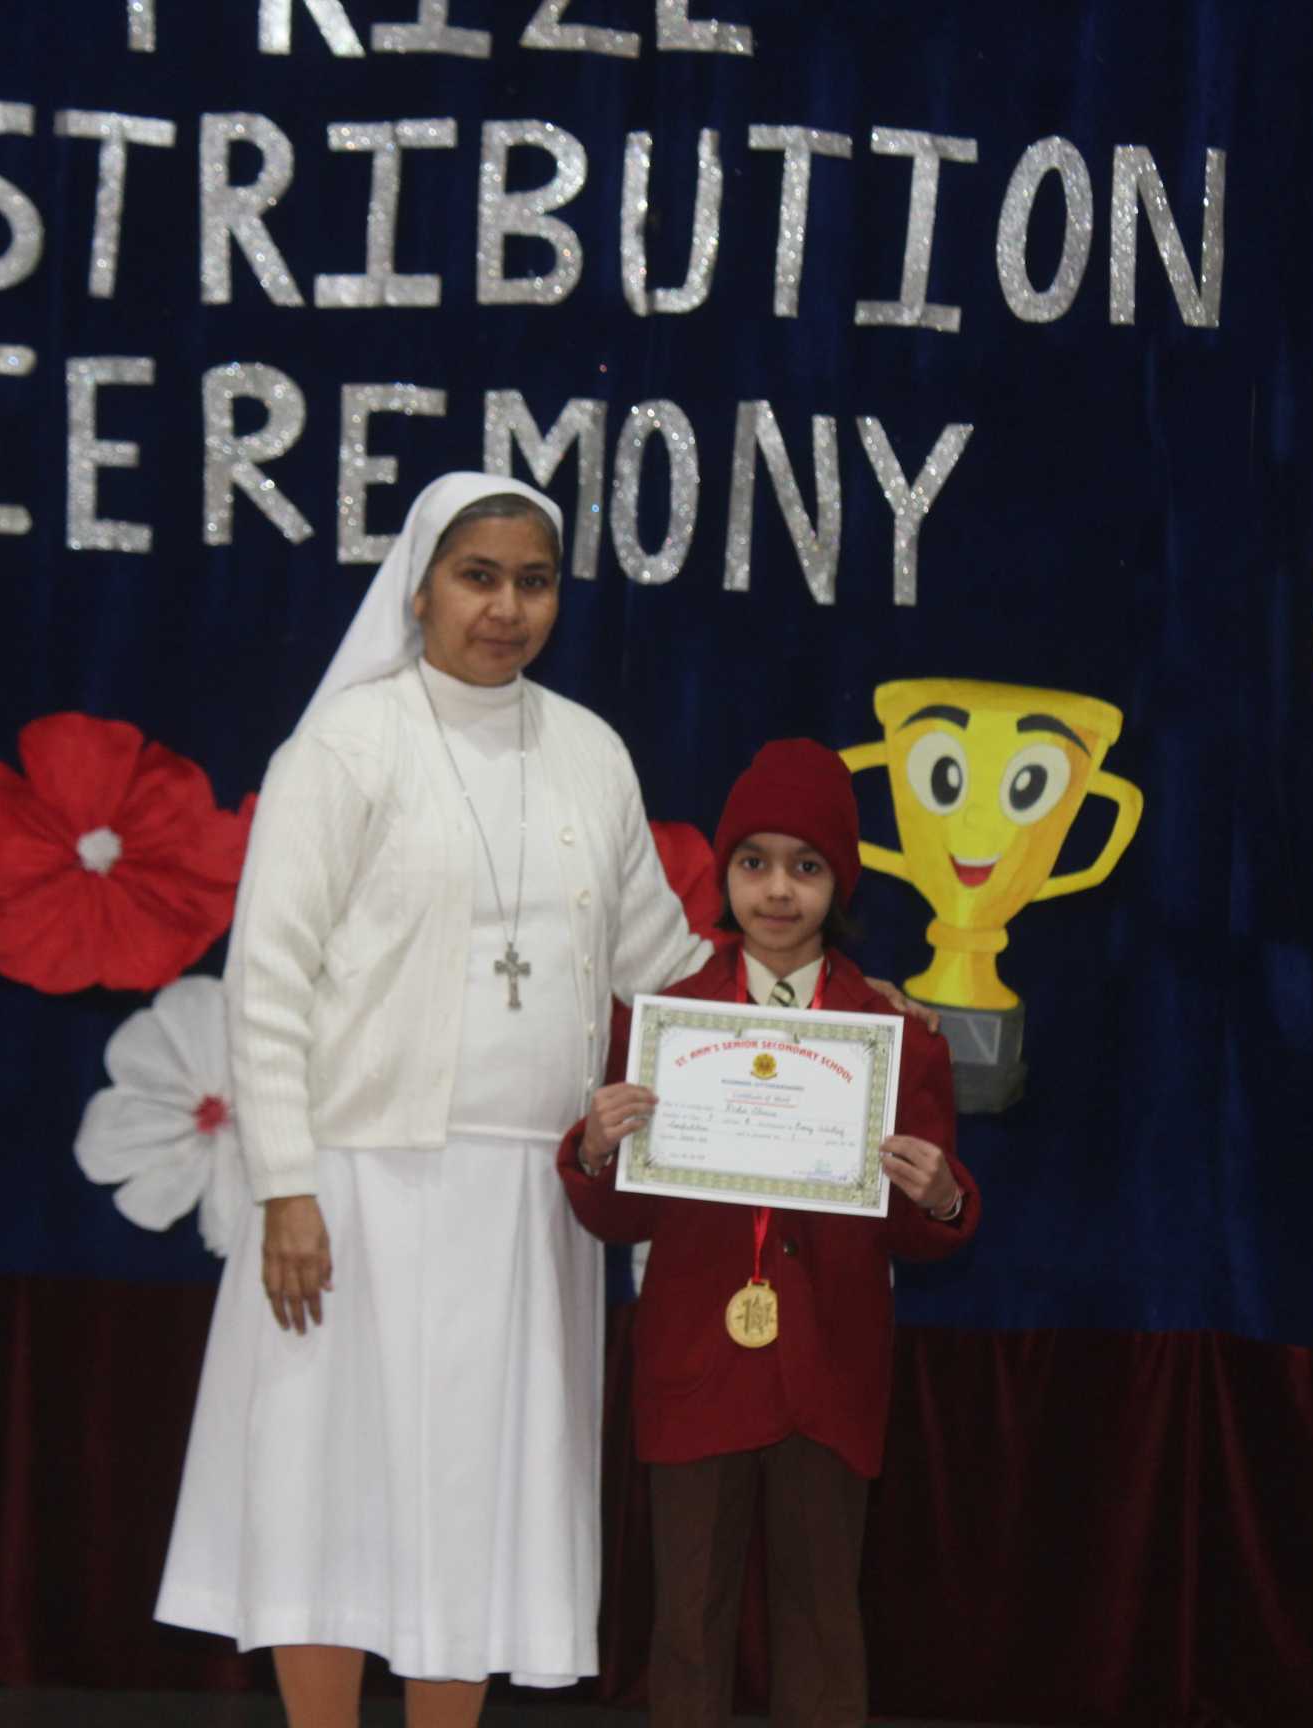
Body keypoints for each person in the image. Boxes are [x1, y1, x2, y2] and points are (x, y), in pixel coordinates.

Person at [154, 473, 718, 1724]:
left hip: (530, 1200)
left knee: (477, 1502)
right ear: (419, 591)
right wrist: (284, 1187)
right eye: (479, 578)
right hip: (356, 1185)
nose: (507, 608)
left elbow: (665, 965)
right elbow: (268, 978)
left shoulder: (589, 752)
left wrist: (818, 1020)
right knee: (327, 1490)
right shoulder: (345, 746)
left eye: (534, 582)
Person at [555, 739, 982, 1728]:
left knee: (823, 1624)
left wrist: (939, 1198)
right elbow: (622, 1215)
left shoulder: (896, 1039)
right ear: (726, 873)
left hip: (830, 1366)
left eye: (806, 865)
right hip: (695, 1364)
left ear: (841, 883)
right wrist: (595, 1149)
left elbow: (924, 1236)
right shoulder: (665, 1025)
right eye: (754, 863)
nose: (778, 890)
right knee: (687, 1626)